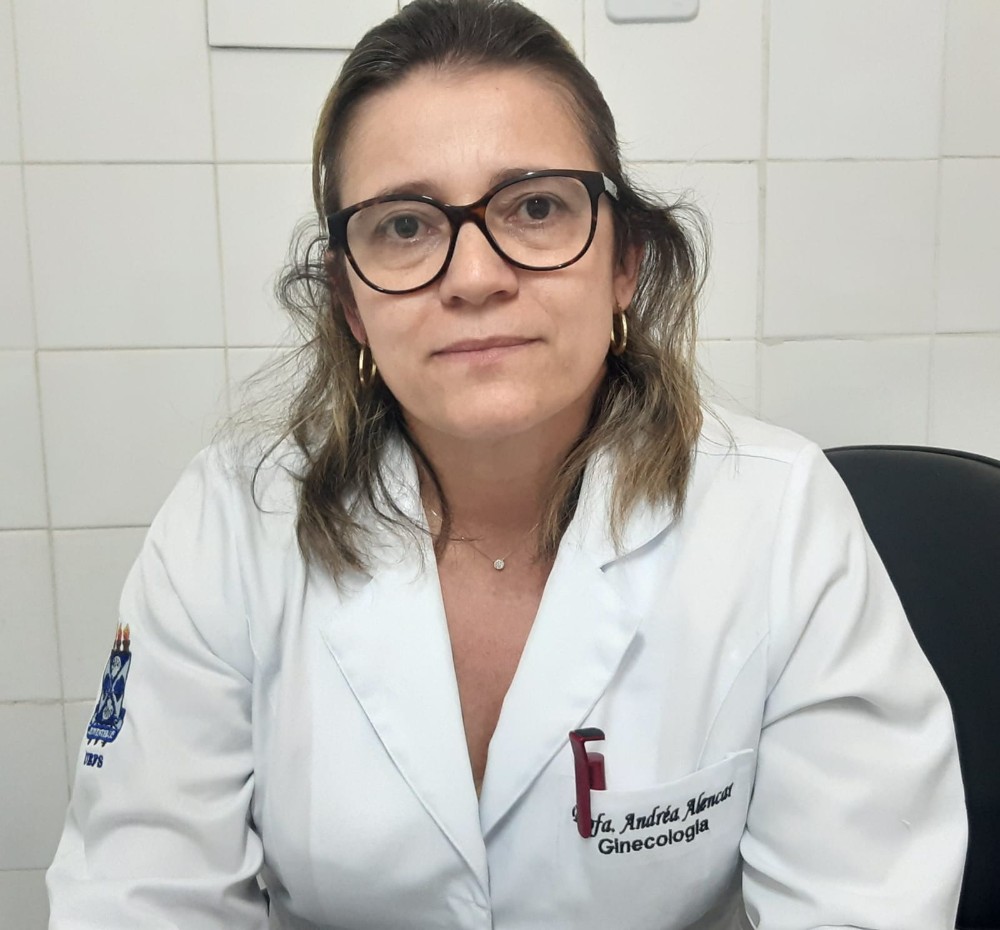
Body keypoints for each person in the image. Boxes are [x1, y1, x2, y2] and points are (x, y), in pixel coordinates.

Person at [46, 1, 967, 927]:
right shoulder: (229, 524)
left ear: (623, 263)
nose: (476, 277)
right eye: (405, 225)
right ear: (350, 302)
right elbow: (141, 896)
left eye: (534, 208)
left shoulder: (780, 518)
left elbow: (862, 901)